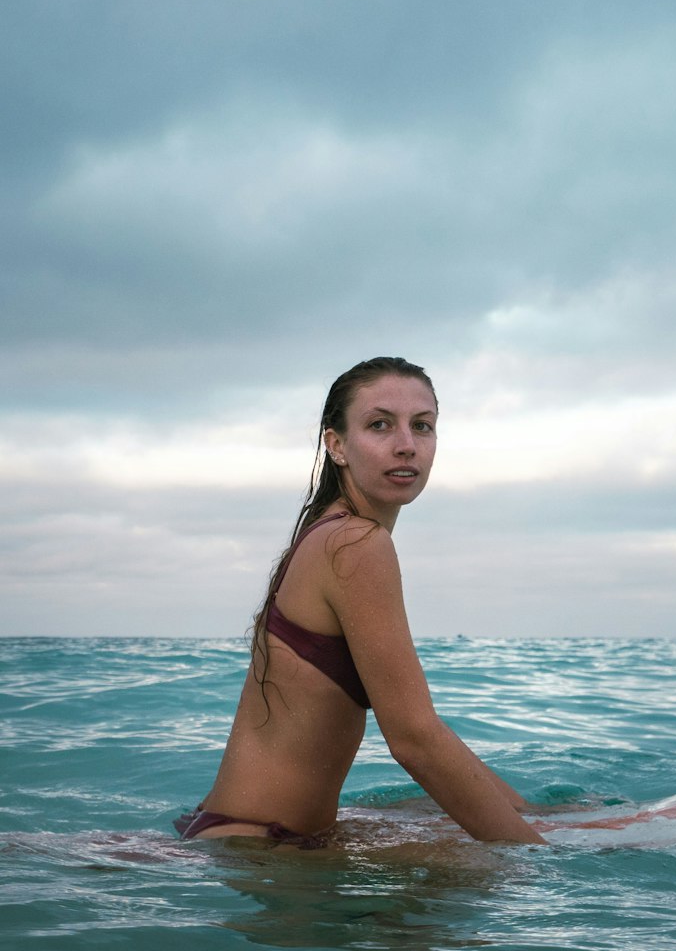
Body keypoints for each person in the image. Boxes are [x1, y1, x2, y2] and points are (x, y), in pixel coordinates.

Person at [175, 356, 544, 847]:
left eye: (423, 426)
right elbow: (415, 740)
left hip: (247, 831)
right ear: (337, 445)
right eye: (379, 425)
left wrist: (533, 813)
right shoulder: (357, 544)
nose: (407, 445)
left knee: (444, 820)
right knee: (491, 882)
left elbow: (423, 740)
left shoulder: (330, 532)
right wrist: (540, 860)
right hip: (266, 849)